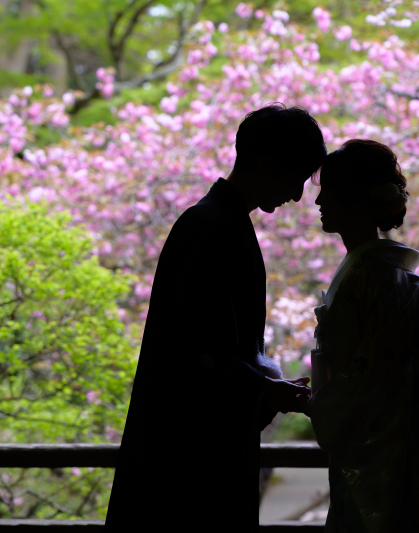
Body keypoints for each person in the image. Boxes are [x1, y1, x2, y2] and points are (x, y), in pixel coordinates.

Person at [105, 104, 327, 531]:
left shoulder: (213, 222)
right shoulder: (213, 229)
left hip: (190, 453)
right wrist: (266, 388)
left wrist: (265, 387)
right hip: (191, 461)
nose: (299, 195)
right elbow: (197, 354)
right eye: (297, 177)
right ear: (267, 163)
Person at [306, 139, 419, 532]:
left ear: (358, 198)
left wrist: (318, 400)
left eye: (330, 189)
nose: (318, 200)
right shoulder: (401, 286)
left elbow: (367, 398)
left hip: (394, 478)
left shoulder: (388, 287)